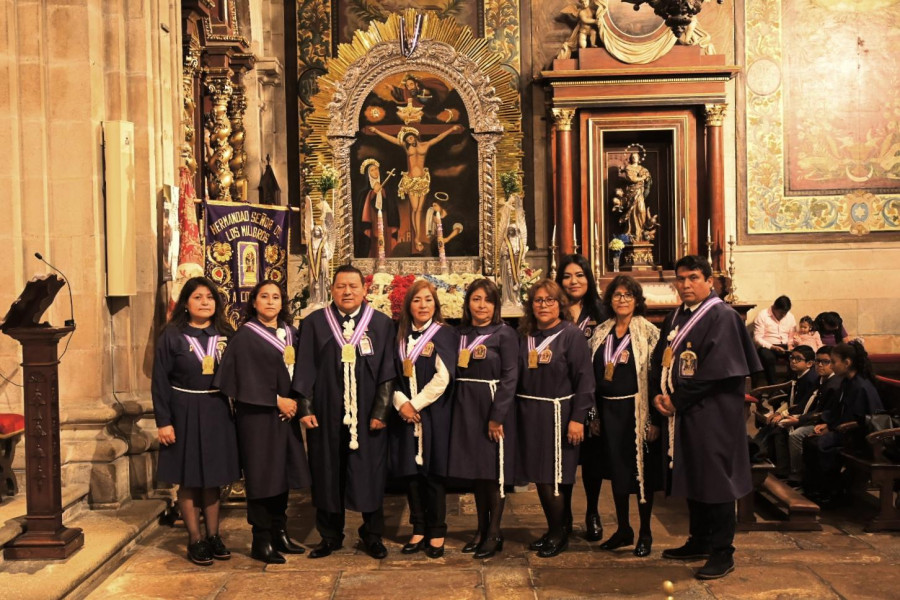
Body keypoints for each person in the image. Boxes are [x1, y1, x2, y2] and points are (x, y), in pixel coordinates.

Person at [651, 255, 761, 580]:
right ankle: (699, 540)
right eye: (681, 278)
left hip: (713, 412)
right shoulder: (676, 317)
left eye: (693, 278)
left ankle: (722, 552)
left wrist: (676, 399)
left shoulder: (722, 316)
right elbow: (664, 359)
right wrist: (660, 392)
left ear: (709, 281)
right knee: (694, 475)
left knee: (716, 481)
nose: (686, 284)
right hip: (686, 412)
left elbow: (717, 372)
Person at [293, 265, 397, 560]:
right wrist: (306, 406)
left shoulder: (381, 324)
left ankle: (372, 534)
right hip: (326, 412)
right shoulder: (314, 323)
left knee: (370, 472)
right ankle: (330, 535)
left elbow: (388, 372)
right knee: (327, 472)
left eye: (353, 286)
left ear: (365, 290)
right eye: (341, 286)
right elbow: (304, 368)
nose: (347, 291)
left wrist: (381, 410)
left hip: (367, 414)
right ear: (332, 290)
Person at [214, 280, 311, 564]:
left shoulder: (291, 333)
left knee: (282, 475)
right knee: (262, 476)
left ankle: (280, 531)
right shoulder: (245, 337)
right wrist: (275, 400)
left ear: (283, 303)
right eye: (264, 297)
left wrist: (294, 401)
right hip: (257, 417)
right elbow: (242, 380)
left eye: (276, 297)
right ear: (254, 302)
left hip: (286, 415)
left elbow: (301, 371)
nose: (271, 302)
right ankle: (261, 539)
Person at [152, 277, 240, 566]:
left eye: (210, 298)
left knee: (213, 478)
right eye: (198, 297)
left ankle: (214, 535)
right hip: (183, 408)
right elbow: (160, 380)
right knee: (189, 478)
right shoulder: (172, 335)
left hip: (216, 408)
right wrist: (164, 421)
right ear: (186, 304)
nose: (205, 302)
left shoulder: (225, 333)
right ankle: (195, 539)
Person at [517, 279, 595, 558]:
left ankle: (559, 534)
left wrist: (578, 418)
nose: (543, 305)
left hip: (559, 414)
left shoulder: (571, 335)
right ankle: (553, 529)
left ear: (559, 304)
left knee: (556, 476)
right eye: (538, 300)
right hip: (530, 413)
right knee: (540, 477)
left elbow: (585, 379)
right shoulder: (524, 334)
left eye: (549, 300)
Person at [589, 275, 661, 557]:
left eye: (627, 295)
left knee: (641, 473)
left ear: (637, 300)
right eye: (617, 295)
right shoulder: (600, 332)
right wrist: (593, 414)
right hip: (607, 411)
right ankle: (623, 529)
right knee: (617, 472)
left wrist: (653, 419)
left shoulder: (649, 332)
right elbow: (592, 377)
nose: (621, 300)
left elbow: (655, 379)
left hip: (636, 412)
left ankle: (645, 531)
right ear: (609, 300)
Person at [448, 279, 518, 559]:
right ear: (468, 303)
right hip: (466, 406)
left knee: (494, 472)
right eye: (476, 299)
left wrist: (497, 416)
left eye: (487, 300)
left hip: (492, 406)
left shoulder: (505, 334)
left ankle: (494, 531)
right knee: (478, 474)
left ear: (496, 305)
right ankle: (480, 528)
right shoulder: (460, 333)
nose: (481, 306)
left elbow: (511, 376)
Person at [390, 280, 458, 559]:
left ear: (435, 304)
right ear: (408, 305)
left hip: (433, 414)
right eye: (417, 300)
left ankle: (438, 531)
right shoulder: (399, 336)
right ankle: (418, 528)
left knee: (433, 474)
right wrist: (400, 403)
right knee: (411, 475)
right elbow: (389, 374)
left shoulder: (444, 334)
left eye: (428, 300)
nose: (422, 305)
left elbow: (443, 378)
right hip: (404, 414)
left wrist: (414, 404)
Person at [556, 254, 609, 541]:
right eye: (567, 275)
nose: (573, 281)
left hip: (592, 395)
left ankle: (592, 511)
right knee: (562, 457)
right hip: (559, 395)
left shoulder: (601, 312)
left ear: (588, 279)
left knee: (591, 458)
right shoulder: (553, 311)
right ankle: (562, 516)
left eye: (579, 275)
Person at [802, 341, 883, 505]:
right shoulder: (846, 381)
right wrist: (827, 424)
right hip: (845, 431)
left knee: (821, 444)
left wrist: (833, 429)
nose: (831, 365)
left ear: (847, 363)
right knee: (810, 441)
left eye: (833, 362)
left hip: (863, 437)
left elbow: (863, 420)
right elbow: (838, 410)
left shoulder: (861, 386)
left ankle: (831, 492)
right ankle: (815, 489)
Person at [366, 124, 464, 252]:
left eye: (410, 137)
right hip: (411, 181)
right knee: (415, 208)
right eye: (407, 139)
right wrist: (377, 131)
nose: (409, 140)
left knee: (419, 209)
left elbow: (439, 138)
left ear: (415, 136)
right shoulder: (406, 148)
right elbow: (393, 139)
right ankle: (417, 237)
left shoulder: (425, 145)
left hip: (423, 180)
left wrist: (451, 129)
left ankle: (417, 237)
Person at [751, 345, 819, 477]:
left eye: (798, 359)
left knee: (778, 429)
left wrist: (783, 415)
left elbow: (803, 404)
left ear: (810, 363)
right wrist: (778, 413)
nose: (793, 361)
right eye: (792, 357)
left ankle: (783, 470)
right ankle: (759, 457)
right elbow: (789, 399)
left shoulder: (811, 379)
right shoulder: (797, 374)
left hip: (804, 415)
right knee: (770, 424)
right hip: (795, 412)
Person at [779, 345, 842, 485]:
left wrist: (799, 420)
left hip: (823, 422)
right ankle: (782, 469)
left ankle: (797, 476)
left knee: (797, 435)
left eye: (825, 362)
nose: (820, 365)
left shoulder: (834, 384)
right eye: (818, 361)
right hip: (812, 417)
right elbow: (804, 402)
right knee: (780, 425)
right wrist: (787, 414)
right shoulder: (819, 379)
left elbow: (826, 412)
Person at [753, 295, 797, 385]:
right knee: (768, 358)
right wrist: (772, 347)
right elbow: (757, 338)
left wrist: (790, 346)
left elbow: (791, 336)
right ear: (774, 308)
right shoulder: (763, 315)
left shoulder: (790, 317)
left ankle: (790, 384)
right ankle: (773, 386)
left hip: (785, 345)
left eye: (786, 313)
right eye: (781, 313)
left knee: (797, 357)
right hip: (768, 346)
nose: (783, 315)